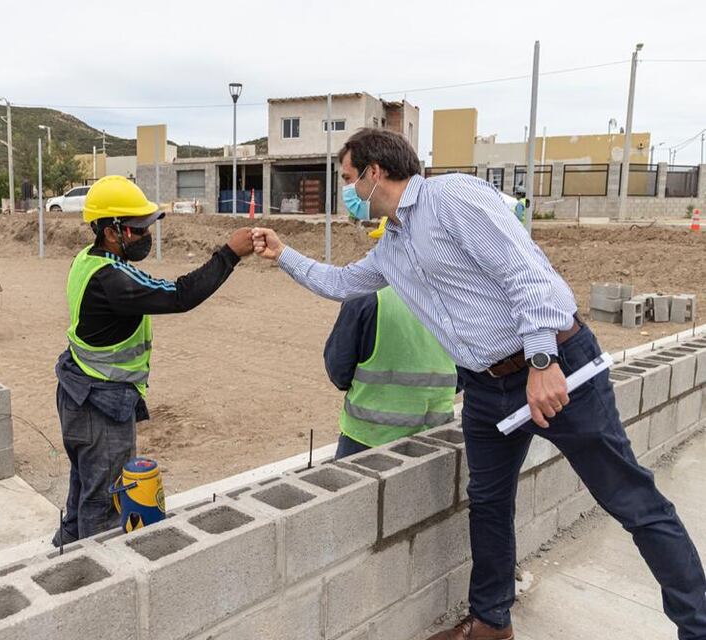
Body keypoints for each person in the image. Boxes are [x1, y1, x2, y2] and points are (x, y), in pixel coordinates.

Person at [251, 128, 706, 640]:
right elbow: (339, 283)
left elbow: (527, 273)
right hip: (488, 389)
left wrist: (540, 361)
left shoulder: (452, 198)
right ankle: (491, 622)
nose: (348, 193)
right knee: (488, 501)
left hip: (554, 365)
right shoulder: (392, 247)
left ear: (376, 173)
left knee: (630, 499)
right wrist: (283, 253)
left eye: (350, 180)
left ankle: (697, 624)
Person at [53, 175, 253, 544]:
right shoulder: (113, 281)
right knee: (104, 509)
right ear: (111, 232)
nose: (146, 234)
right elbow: (179, 295)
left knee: (83, 494)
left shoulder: (89, 259)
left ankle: (63, 561)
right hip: (100, 403)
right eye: (138, 228)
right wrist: (230, 254)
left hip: (77, 389)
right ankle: (94, 585)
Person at [324, 222, 456, 459]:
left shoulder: (365, 296)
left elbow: (338, 369)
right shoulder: (455, 296)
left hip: (368, 439)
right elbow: (470, 368)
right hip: (435, 437)